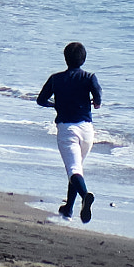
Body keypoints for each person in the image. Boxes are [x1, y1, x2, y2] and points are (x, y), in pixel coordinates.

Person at [37, 42, 102, 223]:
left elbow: (41, 100)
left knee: (73, 169)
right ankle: (68, 209)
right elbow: (97, 97)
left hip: (67, 130)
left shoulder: (56, 79)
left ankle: (85, 195)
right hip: (87, 131)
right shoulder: (89, 77)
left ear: (65, 58)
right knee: (76, 169)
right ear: (84, 59)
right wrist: (96, 103)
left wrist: (55, 104)